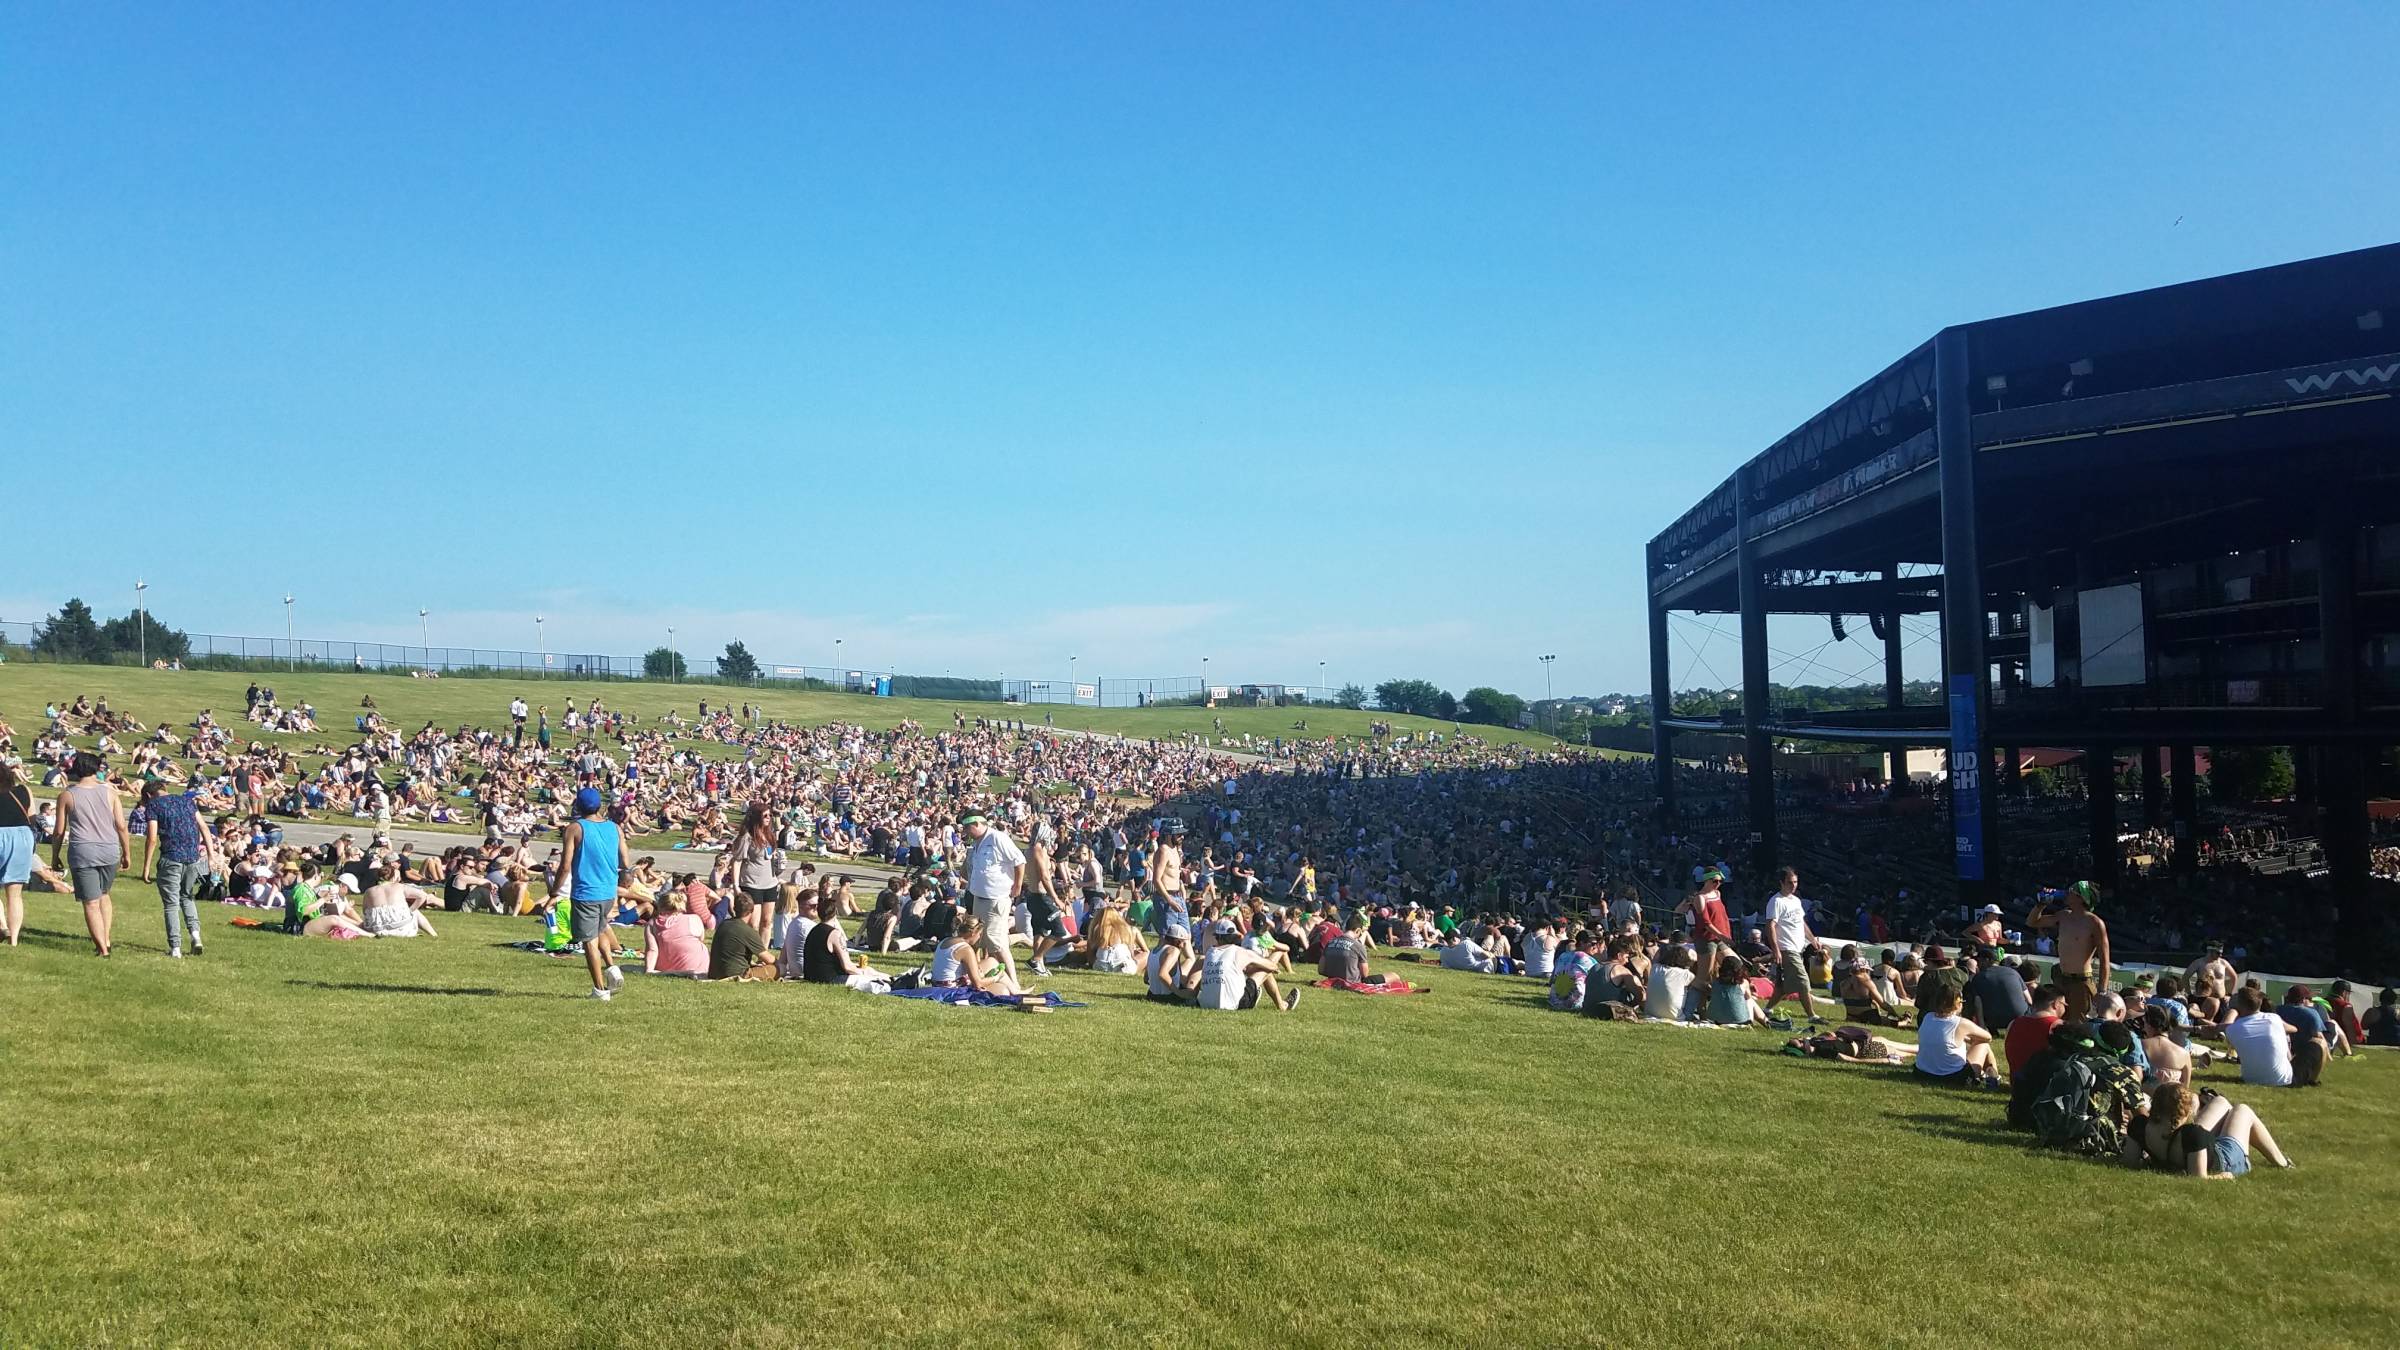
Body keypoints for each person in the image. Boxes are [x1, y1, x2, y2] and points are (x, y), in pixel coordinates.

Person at [52, 751, 132, 957]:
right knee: (104, 894)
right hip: (109, 849)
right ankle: (106, 938)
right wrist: (127, 853)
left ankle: (102, 949)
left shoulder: (67, 795)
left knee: (91, 901)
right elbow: (121, 826)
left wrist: (55, 856)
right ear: (96, 769)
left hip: (83, 850)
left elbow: (59, 831)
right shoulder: (110, 793)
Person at [555, 787, 631, 1000]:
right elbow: (625, 861)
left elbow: (565, 865)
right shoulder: (614, 828)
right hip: (608, 891)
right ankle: (612, 968)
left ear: (578, 806)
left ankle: (599, 989)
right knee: (600, 930)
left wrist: (554, 890)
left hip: (585, 891)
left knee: (589, 940)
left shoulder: (575, 828)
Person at [2126, 1084, 2293, 1177]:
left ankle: (2216, 1102)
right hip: (2226, 1159)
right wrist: (2222, 1177)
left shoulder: (2139, 1125)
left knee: (2221, 1102)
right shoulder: (2193, 1134)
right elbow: (2198, 1178)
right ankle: (2282, 1163)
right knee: (2242, 1109)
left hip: (2183, 1147)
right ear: (2186, 1111)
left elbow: (2129, 1161)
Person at [138, 781, 208, 958]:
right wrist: (212, 854)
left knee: (171, 903)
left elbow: (152, 838)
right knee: (187, 896)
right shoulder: (187, 801)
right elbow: (204, 827)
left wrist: (146, 867)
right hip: (192, 857)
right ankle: (195, 935)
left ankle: (175, 947)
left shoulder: (153, 805)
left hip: (171, 857)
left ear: (148, 795)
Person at [2027, 880, 2110, 1023]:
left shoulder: (2094, 923)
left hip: (2081, 981)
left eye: (2071, 892)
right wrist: (2041, 904)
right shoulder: (2063, 915)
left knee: (2078, 1024)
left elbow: (2105, 959)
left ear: (2080, 897)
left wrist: (2102, 991)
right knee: (2057, 1021)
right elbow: (2032, 922)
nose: (2066, 894)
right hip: (2061, 977)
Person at [962, 813, 1025, 987]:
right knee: (978, 938)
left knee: (996, 942)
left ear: (976, 823)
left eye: (968, 828)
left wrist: (1017, 886)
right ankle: (981, 975)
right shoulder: (977, 843)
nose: (966, 832)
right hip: (979, 895)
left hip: (995, 898)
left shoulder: (997, 838)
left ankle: (1014, 983)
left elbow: (1019, 861)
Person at [1760, 867, 1822, 1022]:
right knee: (1803, 981)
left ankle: (1766, 1009)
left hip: (1797, 947)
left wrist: (1812, 939)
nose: (1793, 885)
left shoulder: (1796, 901)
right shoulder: (1776, 901)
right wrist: (1776, 950)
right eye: (1790, 882)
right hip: (1786, 948)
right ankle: (1812, 1016)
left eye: (1795, 882)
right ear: (1781, 882)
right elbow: (1770, 926)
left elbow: (1801, 923)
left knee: (1782, 986)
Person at [1196, 918, 1298, 1012]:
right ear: (1234, 936)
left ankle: (1254, 994)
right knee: (1265, 970)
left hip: (1205, 1003)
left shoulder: (1209, 953)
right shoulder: (1240, 952)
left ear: (1217, 937)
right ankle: (1282, 1005)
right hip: (1234, 1004)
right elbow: (1272, 966)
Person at [1912, 985, 2001, 1088]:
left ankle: (1988, 1076)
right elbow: (1988, 1037)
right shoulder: (1961, 1023)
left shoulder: (1927, 1017)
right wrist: (1971, 1039)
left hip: (1923, 1073)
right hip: (1953, 1077)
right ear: (1958, 1004)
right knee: (1983, 1045)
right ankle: (1994, 1079)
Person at [2221, 987, 2302, 1088]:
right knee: (2318, 1042)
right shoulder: (2274, 1019)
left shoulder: (2232, 1029)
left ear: (2240, 1004)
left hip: (2250, 1079)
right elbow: (2294, 1029)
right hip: (2283, 1079)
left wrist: (2232, 1012)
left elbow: (2226, 1025)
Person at [1676, 869, 1733, 999]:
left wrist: (1726, 935)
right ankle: (1689, 1006)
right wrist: (1687, 903)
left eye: (1720, 881)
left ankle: (1715, 1001)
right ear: (1706, 880)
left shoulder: (1717, 893)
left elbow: (1721, 916)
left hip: (1720, 936)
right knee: (1704, 976)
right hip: (1703, 936)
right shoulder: (1699, 898)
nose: (1718, 884)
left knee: (1732, 965)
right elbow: (1704, 922)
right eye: (1715, 881)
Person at [1, 762, 40, 947]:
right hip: (22, 837)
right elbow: (32, 817)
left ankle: (2, 925)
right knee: (15, 894)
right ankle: (14, 939)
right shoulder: (25, 790)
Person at [800, 911, 889, 992]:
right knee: (874, 976)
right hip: (830, 978)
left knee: (869, 970)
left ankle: (890, 978)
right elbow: (847, 967)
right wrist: (864, 973)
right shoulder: (834, 934)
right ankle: (891, 979)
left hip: (812, 976)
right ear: (835, 914)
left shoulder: (814, 930)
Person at [357, 865, 441, 938]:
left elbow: (365, 910)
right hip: (401, 928)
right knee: (415, 912)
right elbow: (422, 896)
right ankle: (433, 934)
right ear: (393, 877)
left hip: (376, 929)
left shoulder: (369, 891)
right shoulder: (400, 887)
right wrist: (411, 910)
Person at [2005, 985, 2067, 1079]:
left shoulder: (2013, 1024)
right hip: (2046, 1087)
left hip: (2017, 1085)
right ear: (2056, 1004)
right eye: (2064, 1004)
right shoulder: (2058, 1026)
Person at [706, 893, 773, 981]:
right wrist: (779, 963)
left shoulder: (723, 925)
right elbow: (769, 959)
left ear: (734, 909)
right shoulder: (748, 931)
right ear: (752, 911)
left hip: (714, 973)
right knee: (779, 969)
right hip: (738, 973)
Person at [1963, 951, 2032, 1034]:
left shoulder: (1978, 978)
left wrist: (1982, 1028)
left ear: (1987, 960)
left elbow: (1977, 1003)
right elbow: (2028, 999)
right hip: (2019, 1018)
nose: (1977, 964)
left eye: (1979, 961)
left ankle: (1992, 1031)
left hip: (1993, 1020)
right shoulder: (2013, 973)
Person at [643, 891, 709, 976]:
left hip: (666, 967)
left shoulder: (652, 924)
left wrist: (649, 969)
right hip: (698, 968)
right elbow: (701, 939)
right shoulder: (694, 919)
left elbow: (652, 950)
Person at [1705, 955, 1771, 1028]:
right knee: (1750, 1001)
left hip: (1716, 1019)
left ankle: (1767, 1022)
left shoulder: (1714, 982)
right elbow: (1747, 998)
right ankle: (1767, 1023)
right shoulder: (1743, 983)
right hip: (1740, 1020)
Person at [1643, 945, 1697, 1021]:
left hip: (1651, 1012)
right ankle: (1697, 1014)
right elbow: (1699, 984)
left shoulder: (1655, 968)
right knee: (1696, 990)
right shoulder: (1686, 974)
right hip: (1675, 1016)